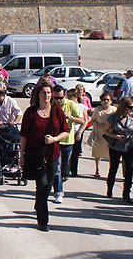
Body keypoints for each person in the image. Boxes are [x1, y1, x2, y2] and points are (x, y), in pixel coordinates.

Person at [19, 83, 69, 232]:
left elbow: (65, 131)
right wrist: (21, 154)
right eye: (43, 93)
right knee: (42, 184)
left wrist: (54, 139)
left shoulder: (57, 111)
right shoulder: (31, 112)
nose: (46, 95)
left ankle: (38, 203)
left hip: (52, 154)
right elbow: (24, 135)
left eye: (48, 93)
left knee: (47, 187)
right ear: (38, 95)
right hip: (35, 154)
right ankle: (43, 220)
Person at [51, 85, 84, 204]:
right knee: (57, 169)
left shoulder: (70, 105)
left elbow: (82, 120)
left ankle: (59, 181)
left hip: (68, 141)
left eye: (60, 98)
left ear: (64, 96)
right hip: (56, 141)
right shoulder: (51, 106)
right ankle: (58, 192)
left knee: (65, 170)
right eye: (56, 98)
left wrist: (71, 117)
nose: (58, 101)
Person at [104, 97, 133, 204]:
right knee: (113, 168)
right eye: (130, 107)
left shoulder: (132, 118)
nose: (132, 109)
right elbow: (105, 131)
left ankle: (126, 194)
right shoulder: (113, 118)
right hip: (115, 146)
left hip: (128, 146)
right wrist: (116, 136)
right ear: (124, 107)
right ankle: (109, 190)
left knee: (129, 170)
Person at [89, 93, 116, 178]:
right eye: (104, 99)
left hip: (110, 133)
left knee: (111, 153)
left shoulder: (114, 110)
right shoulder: (97, 109)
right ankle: (97, 169)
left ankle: (111, 171)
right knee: (98, 153)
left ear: (111, 101)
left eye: (107, 99)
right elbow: (92, 120)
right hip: (99, 133)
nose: (106, 101)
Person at [66, 88, 90, 178]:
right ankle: (66, 169)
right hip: (68, 131)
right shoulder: (67, 105)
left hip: (77, 130)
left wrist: (80, 131)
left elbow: (85, 121)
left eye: (69, 96)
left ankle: (74, 170)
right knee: (67, 151)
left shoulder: (82, 107)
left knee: (75, 152)